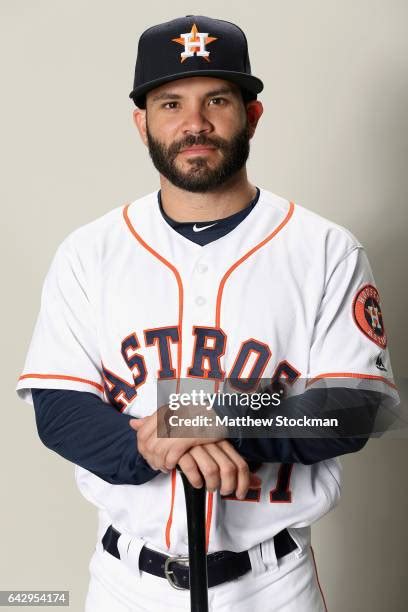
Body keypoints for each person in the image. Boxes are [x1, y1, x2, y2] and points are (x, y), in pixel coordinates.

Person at [16, 15, 397, 612]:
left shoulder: (325, 249)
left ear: (253, 114)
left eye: (216, 99)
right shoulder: (89, 253)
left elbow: (358, 408)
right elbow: (58, 409)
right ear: (142, 124)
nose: (194, 123)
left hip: (272, 585)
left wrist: (219, 412)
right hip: (125, 584)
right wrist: (155, 442)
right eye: (171, 103)